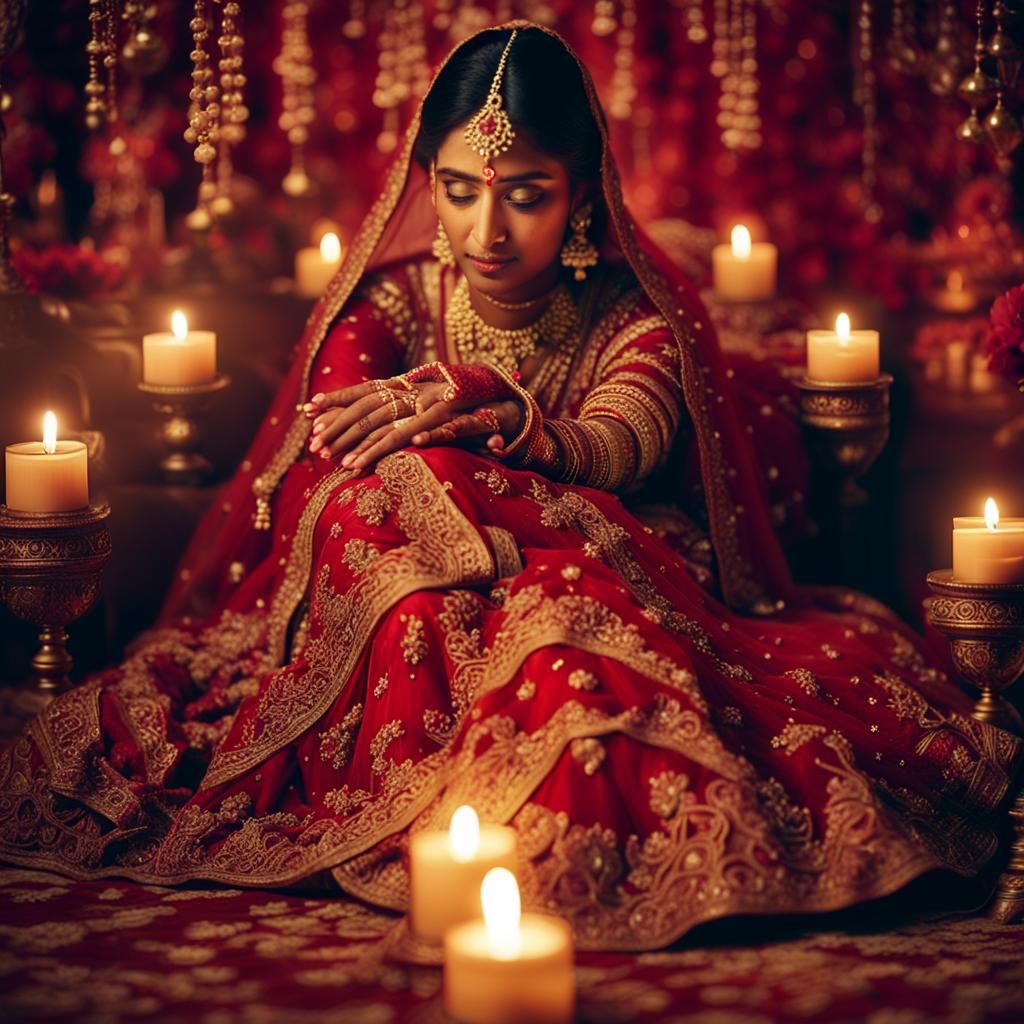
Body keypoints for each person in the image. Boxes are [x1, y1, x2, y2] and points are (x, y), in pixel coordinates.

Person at [0, 23, 1017, 952]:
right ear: (425, 183)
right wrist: (440, 451)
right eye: (458, 189)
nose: (486, 227)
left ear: (582, 194)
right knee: (380, 487)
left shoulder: (635, 318)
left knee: (553, 598)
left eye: (523, 193)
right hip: (407, 592)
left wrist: (509, 415)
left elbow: (623, 438)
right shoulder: (396, 301)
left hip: (587, 570)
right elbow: (337, 435)